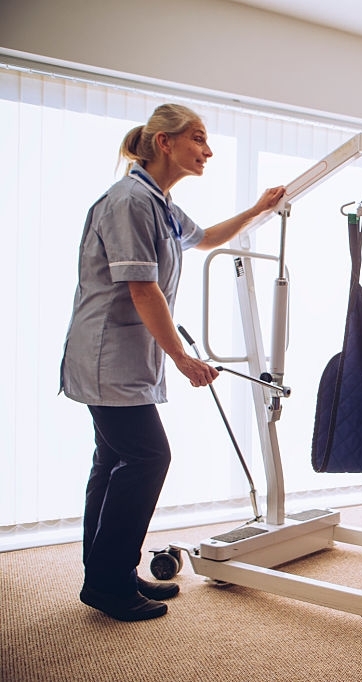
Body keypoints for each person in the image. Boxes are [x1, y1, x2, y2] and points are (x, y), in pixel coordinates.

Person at [60, 103, 286, 622]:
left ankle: (107, 573)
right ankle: (109, 582)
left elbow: (205, 238)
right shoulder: (130, 201)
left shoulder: (158, 202)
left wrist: (256, 209)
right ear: (165, 142)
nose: (207, 151)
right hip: (106, 358)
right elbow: (143, 289)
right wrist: (182, 358)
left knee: (113, 462)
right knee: (146, 458)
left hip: (120, 359)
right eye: (199, 139)